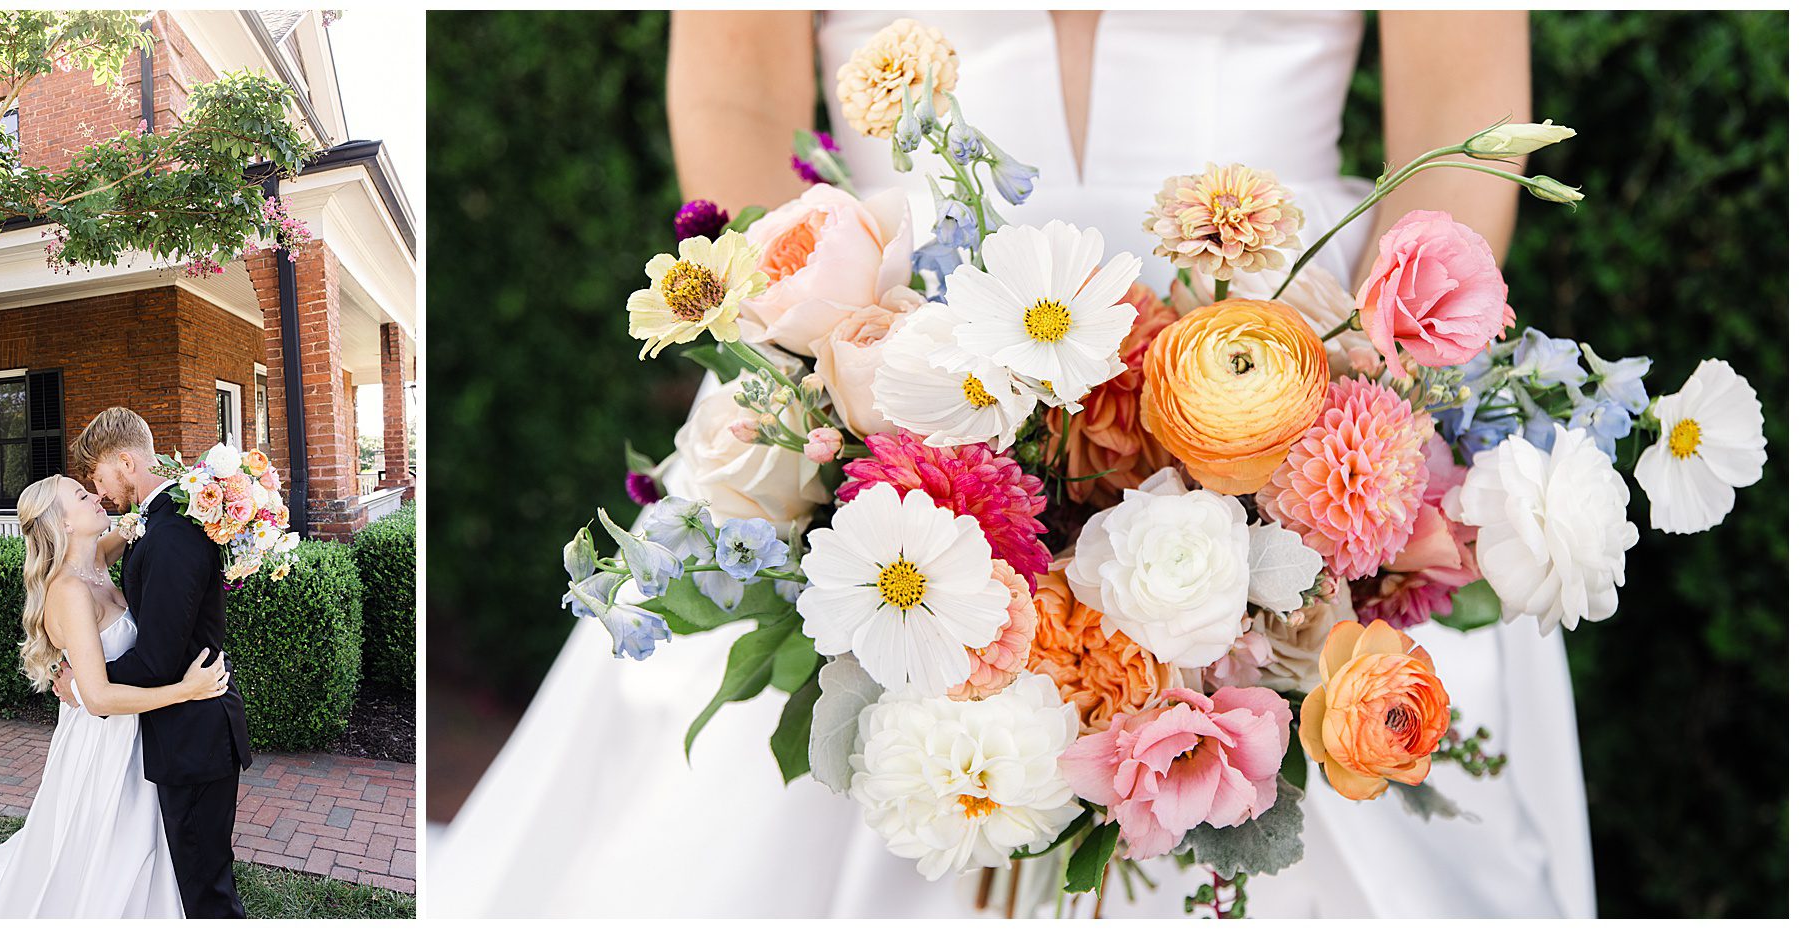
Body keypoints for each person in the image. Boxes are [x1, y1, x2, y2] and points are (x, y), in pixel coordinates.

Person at [437, 10, 1592, 918]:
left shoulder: (1327, 390)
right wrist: (835, 368)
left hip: (1293, 357)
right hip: (880, 354)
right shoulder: (856, 372)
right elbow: (735, 87)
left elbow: (1461, 115)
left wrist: (1350, 399)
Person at [0, 475, 230, 918]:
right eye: (82, 496)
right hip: (103, 741)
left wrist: (211, 492)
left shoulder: (98, 556)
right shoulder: (69, 590)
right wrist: (184, 691)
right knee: (107, 850)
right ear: (62, 523)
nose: (95, 496)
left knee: (142, 844)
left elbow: (148, 512)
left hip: (136, 730)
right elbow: (99, 698)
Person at [65, 406, 254, 918]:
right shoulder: (160, 519)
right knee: (186, 878)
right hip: (182, 731)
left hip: (195, 734)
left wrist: (86, 687)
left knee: (205, 890)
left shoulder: (171, 536)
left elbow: (157, 660)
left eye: (100, 477)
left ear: (126, 462)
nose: (101, 492)